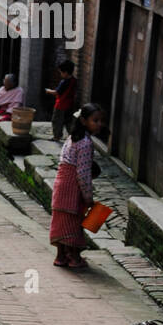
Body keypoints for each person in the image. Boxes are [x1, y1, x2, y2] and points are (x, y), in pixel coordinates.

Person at [50, 103, 105, 270]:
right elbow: (83, 173)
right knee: (74, 222)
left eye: (100, 121)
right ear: (83, 120)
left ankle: (60, 256)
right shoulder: (86, 143)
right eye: (95, 120)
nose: (99, 124)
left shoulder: (71, 138)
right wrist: (88, 197)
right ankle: (74, 257)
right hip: (73, 187)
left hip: (61, 183)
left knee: (60, 221)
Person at [46, 60, 78, 141]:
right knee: (68, 122)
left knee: (56, 121)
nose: (60, 75)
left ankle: (57, 136)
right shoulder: (74, 80)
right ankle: (73, 136)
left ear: (66, 72)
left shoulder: (63, 82)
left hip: (61, 105)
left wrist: (48, 91)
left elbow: (56, 92)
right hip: (70, 105)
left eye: (61, 73)